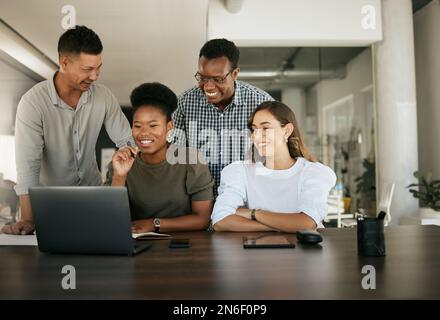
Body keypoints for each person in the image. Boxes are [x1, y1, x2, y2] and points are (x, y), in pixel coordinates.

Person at [1, 26, 133, 235]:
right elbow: (28, 168)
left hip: (93, 199)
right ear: (64, 63)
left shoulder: (104, 97)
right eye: (87, 69)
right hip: (49, 205)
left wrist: (124, 159)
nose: (95, 76)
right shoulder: (33, 103)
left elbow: (127, 140)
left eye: (98, 68)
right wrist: (28, 219)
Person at [211, 101, 336, 232]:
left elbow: (307, 223)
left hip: (305, 251)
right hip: (257, 251)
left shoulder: (313, 172)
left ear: (287, 131)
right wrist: (286, 226)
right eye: (254, 129)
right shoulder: (239, 171)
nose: (257, 136)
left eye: (266, 128)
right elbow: (220, 220)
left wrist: (254, 214)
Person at [106, 82, 214, 233]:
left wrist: (153, 224)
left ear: (169, 127)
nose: (144, 133)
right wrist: (119, 176)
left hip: (186, 245)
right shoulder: (122, 162)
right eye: (137, 126)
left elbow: (202, 219)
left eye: (153, 126)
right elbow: (112, 218)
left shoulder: (190, 160)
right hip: (136, 244)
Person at [173, 38, 273, 195]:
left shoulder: (261, 103)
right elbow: (174, 155)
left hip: (248, 201)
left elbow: (276, 156)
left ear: (235, 74)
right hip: (197, 202)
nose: (208, 86)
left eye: (218, 79)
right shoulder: (184, 103)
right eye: (203, 78)